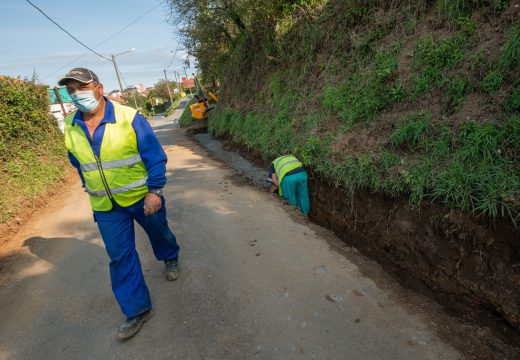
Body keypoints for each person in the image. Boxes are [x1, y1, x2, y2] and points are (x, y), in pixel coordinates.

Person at [58, 68, 180, 340]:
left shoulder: (129, 117)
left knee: (160, 233)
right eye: (72, 90)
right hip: (105, 206)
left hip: (141, 196)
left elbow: (154, 156)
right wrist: (90, 185)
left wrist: (155, 191)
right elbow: (77, 161)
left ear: (99, 88)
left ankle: (170, 257)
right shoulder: (70, 124)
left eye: (82, 87)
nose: (77, 94)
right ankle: (137, 310)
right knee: (120, 257)